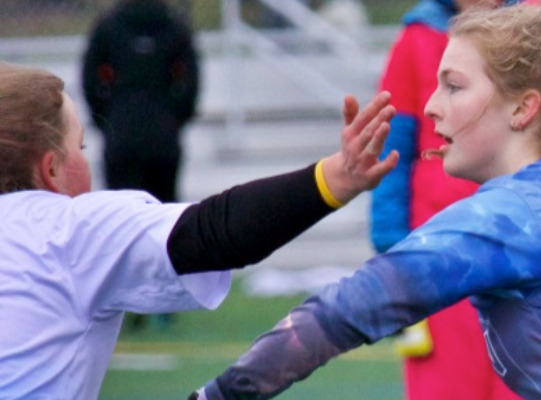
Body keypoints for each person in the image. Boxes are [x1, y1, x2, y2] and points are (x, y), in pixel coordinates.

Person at [189, 2, 541, 399]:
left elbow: (343, 311)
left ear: (523, 109)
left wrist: (217, 396)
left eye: (453, 86)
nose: (429, 107)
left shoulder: (513, 214)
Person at [0, 62, 398, 399]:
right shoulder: (67, 231)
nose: (85, 160)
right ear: (50, 168)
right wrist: (334, 179)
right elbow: (213, 232)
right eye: (80, 148)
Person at [370, 0, 525, 399]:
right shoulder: (416, 40)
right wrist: (392, 247)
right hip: (437, 252)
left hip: (525, 245)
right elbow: (394, 148)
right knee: (445, 386)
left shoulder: (538, 29)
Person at [81, 0, 201, 330]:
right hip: (163, 135)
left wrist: (107, 118)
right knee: (165, 218)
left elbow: (90, 79)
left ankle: (130, 304)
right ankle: (166, 303)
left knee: (123, 221)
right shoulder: (175, 27)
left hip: (121, 135)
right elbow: (191, 83)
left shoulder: (108, 26)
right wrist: (174, 118)